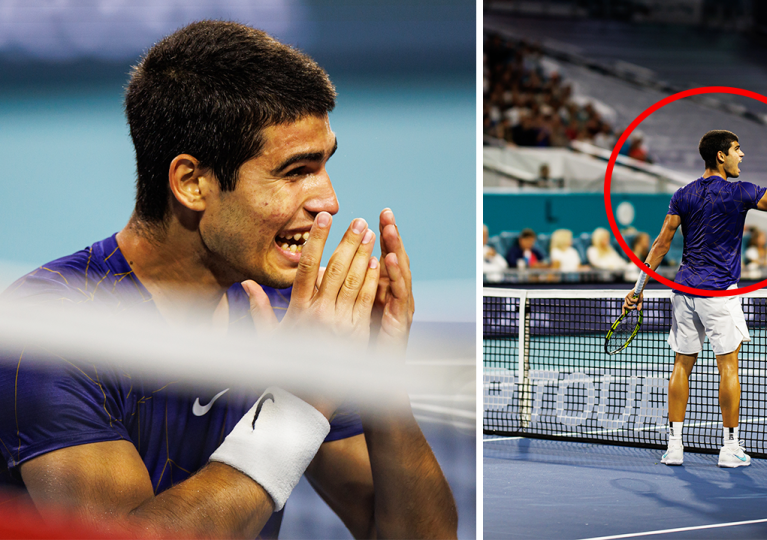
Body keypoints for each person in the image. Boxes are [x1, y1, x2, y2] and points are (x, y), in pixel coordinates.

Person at [0, 21, 456, 539]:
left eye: (324, 164)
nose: (327, 199)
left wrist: (377, 376)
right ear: (192, 184)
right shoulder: (50, 333)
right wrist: (294, 406)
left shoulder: (294, 314)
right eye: (294, 171)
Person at [623, 130, 767, 468]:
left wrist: (638, 289)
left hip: (684, 291)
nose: (742, 156)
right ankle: (729, 447)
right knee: (728, 368)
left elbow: (661, 244)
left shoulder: (683, 193)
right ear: (720, 156)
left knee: (681, 366)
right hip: (719, 293)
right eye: (737, 150)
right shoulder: (740, 191)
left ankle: (674, 447)